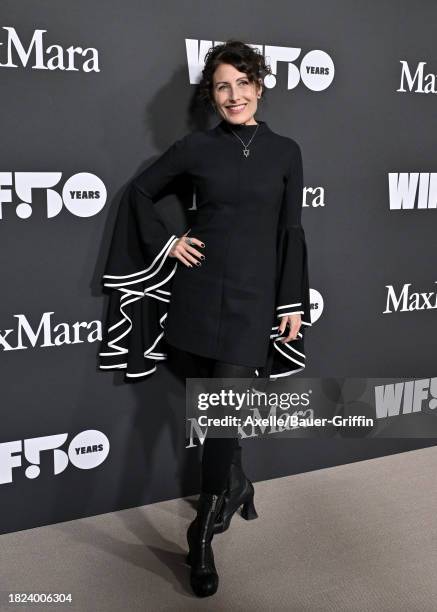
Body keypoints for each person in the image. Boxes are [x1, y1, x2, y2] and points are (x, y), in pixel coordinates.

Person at [98, 39, 312, 598]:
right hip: (197, 297)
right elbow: (140, 193)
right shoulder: (196, 147)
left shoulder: (286, 151)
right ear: (211, 96)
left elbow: (291, 230)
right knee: (214, 403)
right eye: (222, 86)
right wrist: (168, 244)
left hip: (252, 301)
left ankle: (200, 536)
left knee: (219, 411)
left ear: (260, 87)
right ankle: (237, 482)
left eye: (243, 83)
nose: (234, 95)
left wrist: (291, 303)